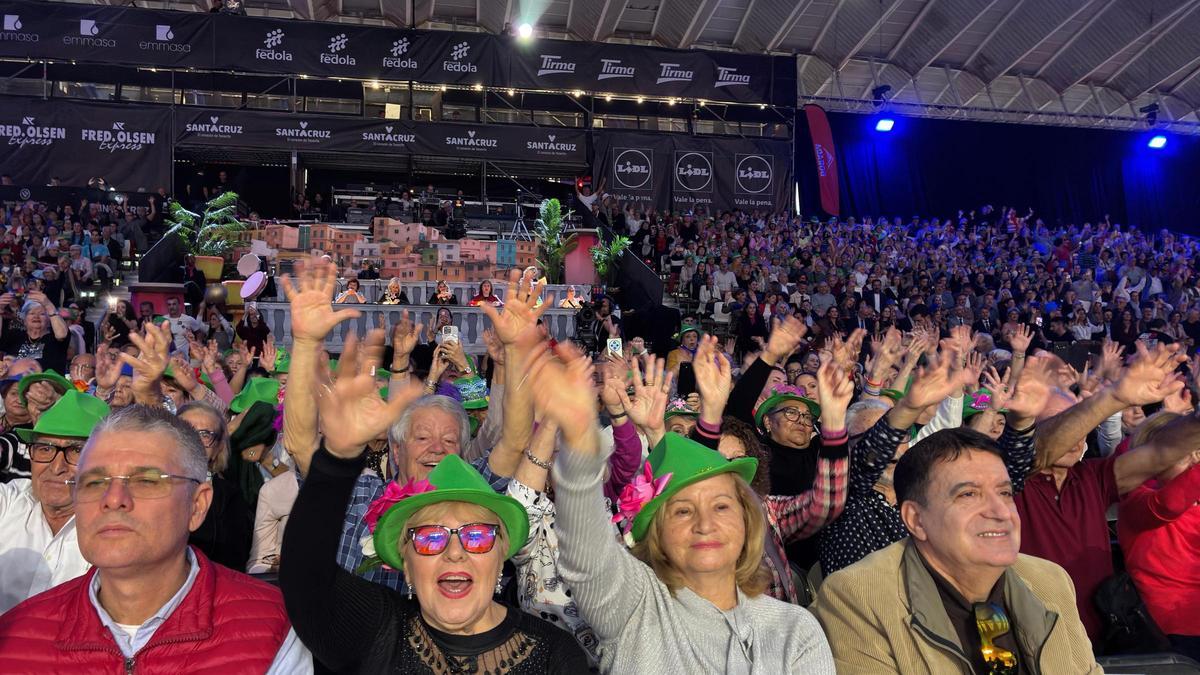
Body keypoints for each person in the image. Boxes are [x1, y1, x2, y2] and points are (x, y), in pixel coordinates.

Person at [537, 340, 836, 673]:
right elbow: (587, 558)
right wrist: (579, 437)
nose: (704, 524)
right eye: (682, 510)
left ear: (748, 520)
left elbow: (826, 500)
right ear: (658, 531)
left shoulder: (797, 630)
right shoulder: (633, 608)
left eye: (722, 507)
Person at [280, 400, 588, 672]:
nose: (455, 552)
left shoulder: (555, 654)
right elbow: (306, 580)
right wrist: (337, 458)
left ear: (501, 555)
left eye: (477, 536)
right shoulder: (378, 632)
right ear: (407, 563)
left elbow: (513, 442)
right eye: (431, 538)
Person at [0, 405, 311, 671]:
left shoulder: (272, 628)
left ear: (197, 505)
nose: (113, 498)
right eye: (94, 482)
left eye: (146, 481)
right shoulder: (16, 635)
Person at [813, 428, 1102, 674]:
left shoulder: (1049, 580)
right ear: (916, 519)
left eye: (1004, 493)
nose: (1001, 512)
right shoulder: (858, 596)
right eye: (968, 494)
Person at [0, 391, 108, 613]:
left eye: (77, 450)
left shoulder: (118, 527)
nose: (56, 466)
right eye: (45, 448)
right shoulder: (10, 501)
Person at [178, 401, 252, 573]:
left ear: (219, 446)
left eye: (205, 434)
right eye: (186, 430)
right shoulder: (147, 485)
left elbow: (234, 560)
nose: (194, 440)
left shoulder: (230, 496)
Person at [0, 291, 71, 373]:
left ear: (49, 319)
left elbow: (61, 335)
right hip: (16, 384)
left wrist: (49, 305)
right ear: (24, 320)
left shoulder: (54, 337)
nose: (36, 317)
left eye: (42, 314)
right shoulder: (15, 336)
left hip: (46, 384)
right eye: (31, 313)